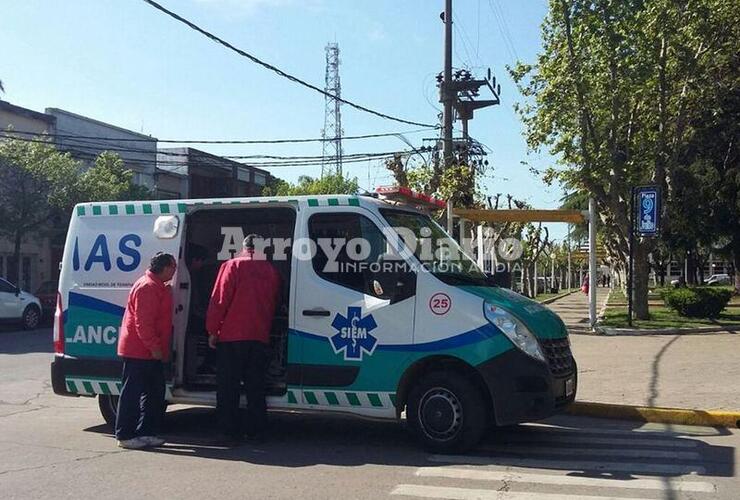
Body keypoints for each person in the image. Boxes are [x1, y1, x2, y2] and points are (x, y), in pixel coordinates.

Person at [206, 234, 281, 443]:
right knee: (255, 386)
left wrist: (212, 330)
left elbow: (219, 300)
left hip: (232, 335)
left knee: (228, 386)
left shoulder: (233, 266)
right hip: (259, 334)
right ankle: (257, 429)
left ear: (244, 246)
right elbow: (274, 301)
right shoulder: (270, 271)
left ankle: (227, 430)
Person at [115, 252, 176, 449]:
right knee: (132, 393)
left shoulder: (157, 287)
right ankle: (125, 435)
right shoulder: (147, 287)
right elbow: (144, 323)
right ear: (165, 267)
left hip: (148, 350)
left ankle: (146, 432)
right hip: (139, 350)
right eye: (173, 267)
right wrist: (155, 347)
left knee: (155, 392)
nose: (175, 271)